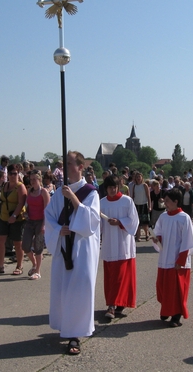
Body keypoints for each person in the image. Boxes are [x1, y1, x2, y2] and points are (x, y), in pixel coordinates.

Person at [44, 151, 100, 355]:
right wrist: (59, 229)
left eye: (69, 164)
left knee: (79, 289)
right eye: (64, 164)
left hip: (82, 249)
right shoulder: (59, 193)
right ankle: (65, 326)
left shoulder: (91, 192)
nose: (66, 168)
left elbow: (91, 221)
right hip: (63, 247)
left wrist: (74, 198)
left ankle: (75, 334)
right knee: (63, 288)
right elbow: (49, 217)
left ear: (81, 166)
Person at [152, 188, 193, 327]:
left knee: (177, 290)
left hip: (178, 259)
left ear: (176, 201)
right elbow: (158, 231)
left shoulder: (184, 218)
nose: (164, 203)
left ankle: (176, 316)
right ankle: (166, 310)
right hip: (165, 258)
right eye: (164, 200)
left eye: (167, 201)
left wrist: (181, 260)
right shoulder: (163, 217)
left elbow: (188, 240)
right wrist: (157, 239)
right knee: (163, 287)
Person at [100, 174, 139, 319]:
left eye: (114, 187)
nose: (112, 190)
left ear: (118, 187)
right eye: (109, 187)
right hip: (109, 244)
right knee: (111, 276)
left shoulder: (127, 201)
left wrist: (120, 222)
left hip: (124, 244)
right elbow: (97, 223)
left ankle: (118, 304)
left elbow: (134, 221)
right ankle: (112, 304)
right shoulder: (102, 203)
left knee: (122, 276)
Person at [0, 164, 27, 275]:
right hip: (4, 216)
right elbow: (2, 198)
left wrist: (14, 216)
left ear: (18, 174)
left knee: (17, 242)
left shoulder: (20, 187)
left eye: (14, 173)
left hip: (17, 218)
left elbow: (21, 203)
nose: (12, 176)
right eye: (10, 173)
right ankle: (0, 265)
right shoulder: (5, 185)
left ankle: (19, 266)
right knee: (0, 240)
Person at [23, 171, 50, 280]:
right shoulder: (29, 191)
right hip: (30, 221)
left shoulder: (43, 192)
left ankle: (37, 271)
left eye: (35, 179)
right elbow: (27, 205)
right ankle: (34, 264)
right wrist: (25, 213)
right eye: (31, 179)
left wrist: (44, 225)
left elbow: (47, 210)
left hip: (40, 221)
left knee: (38, 247)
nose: (32, 181)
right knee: (25, 245)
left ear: (39, 180)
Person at [130, 172, 151, 242]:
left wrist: (149, 206)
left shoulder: (144, 185)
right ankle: (138, 236)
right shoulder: (134, 186)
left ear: (142, 178)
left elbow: (148, 196)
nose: (138, 178)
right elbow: (133, 196)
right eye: (137, 177)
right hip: (136, 205)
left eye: (139, 177)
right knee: (137, 222)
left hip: (144, 204)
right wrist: (131, 206)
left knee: (145, 222)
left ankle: (147, 234)